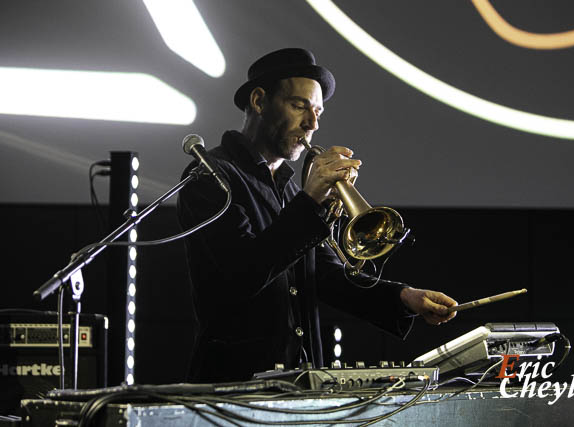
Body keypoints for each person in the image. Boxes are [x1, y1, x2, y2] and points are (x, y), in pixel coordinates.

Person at [177, 48, 458, 383]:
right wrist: (311, 203)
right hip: (233, 381)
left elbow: (326, 277)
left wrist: (404, 297)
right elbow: (241, 274)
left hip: (300, 381)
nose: (312, 123)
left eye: (318, 111)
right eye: (299, 106)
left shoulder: (289, 190)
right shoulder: (211, 176)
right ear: (258, 101)